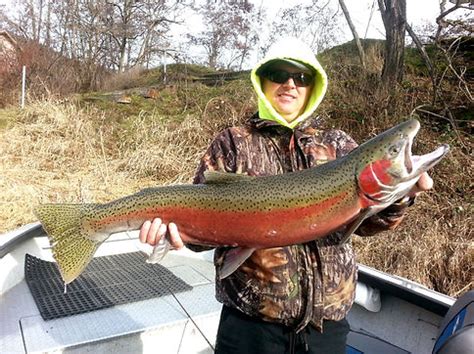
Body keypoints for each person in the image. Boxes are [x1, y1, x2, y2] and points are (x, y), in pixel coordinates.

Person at [139, 37, 433, 353]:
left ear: (314, 86)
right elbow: (204, 224)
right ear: (263, 81)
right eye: (279, 74)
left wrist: (401, 195)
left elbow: (367, 225)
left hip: (326, 326)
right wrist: (174, 233)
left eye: (302, 77)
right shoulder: (232, 143)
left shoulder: (338, 144)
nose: (290, 84)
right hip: (250, 327)